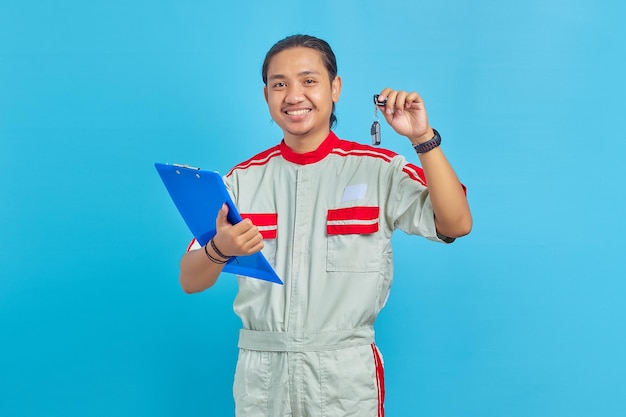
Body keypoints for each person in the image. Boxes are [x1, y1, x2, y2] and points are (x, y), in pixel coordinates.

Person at [179, 34, 472, 417]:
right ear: (266, 94)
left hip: (343, 376)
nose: (293, 95)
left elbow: (456, 223)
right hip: (263, 375)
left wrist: (422, 138)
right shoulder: (242, 181)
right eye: (279, 83)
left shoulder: (378, 168)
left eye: (309, 80)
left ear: (335, 88)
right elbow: (190, 280)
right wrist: (220, 250)